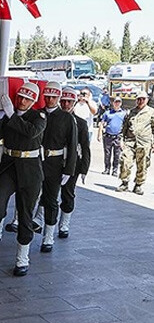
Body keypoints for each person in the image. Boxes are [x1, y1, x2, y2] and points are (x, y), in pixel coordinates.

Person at [0, 82, 46, 277]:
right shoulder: (8, 114)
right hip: (8, 165)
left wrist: (11, 114)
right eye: (20, 97)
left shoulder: (39, 117)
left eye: (27, 99)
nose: (22, 101)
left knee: (25, 213)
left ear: (33, 101)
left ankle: (23, 258)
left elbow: (31, 133)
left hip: (30, 169)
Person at [33, 82, 77, 253]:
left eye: (54, 97)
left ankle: (48, 236)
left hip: (55, 163)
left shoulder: (67, 118)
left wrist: (69, 170)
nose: (50, 100)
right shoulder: (37, 114)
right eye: (48, 96)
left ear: (59, 98)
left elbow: (72, 145)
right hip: (36, 160)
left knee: (51, 199)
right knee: (32, 195)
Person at [58, 87, 91, 239]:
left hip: (72, 162)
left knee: (68, 192)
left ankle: (64, 223)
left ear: (74, 103)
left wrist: (84, 168)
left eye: (68, 102)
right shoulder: (52, 118)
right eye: (63, 101)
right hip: (53, 161)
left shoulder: (81, 123)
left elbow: (85, 147)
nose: (65, 105)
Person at [117, 91, 154, 195]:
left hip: (144, 142)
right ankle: (124, 183)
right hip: (130, 141)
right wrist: (121, 139)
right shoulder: (130, 112)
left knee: (142, 164)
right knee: (125, 160)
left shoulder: (151, 112)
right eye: (138, 99)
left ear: (147, 100)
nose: (140, 101)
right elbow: (124, 127)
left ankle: (138, 185)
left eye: (143, 99)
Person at [99, 97, 126, 176]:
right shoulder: (107, 113)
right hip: (108, 136)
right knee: (107, 154)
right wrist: (99, 134)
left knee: (117, 155)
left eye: (119, 102)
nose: (117, 103)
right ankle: (107, 169)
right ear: (113, 103)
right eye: (116, 102)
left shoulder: (123, 114)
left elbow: (126, 126)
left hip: (118, 137)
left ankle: (115, 170)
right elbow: (102, 123)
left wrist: (123, 139)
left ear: (121, 103)